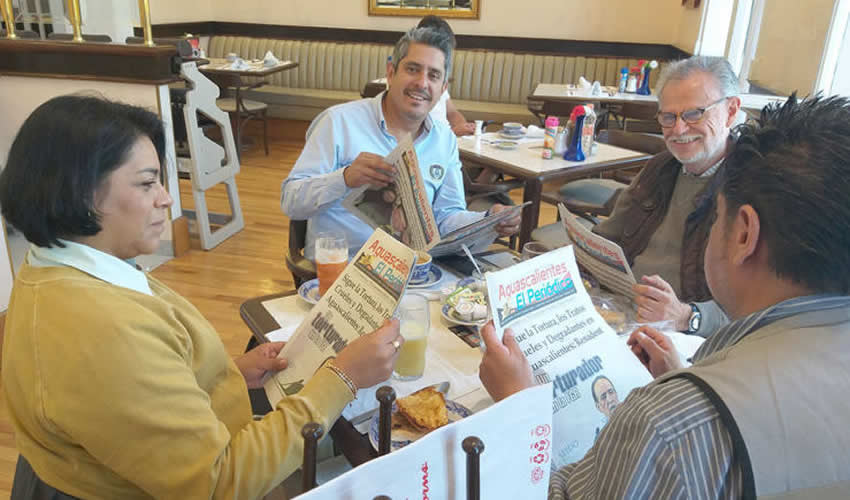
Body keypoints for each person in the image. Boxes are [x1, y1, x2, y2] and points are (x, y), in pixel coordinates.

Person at [0, 95, 403, 499]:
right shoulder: (97, 328)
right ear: (80, 192)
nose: (166, 198)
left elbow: (132, 389)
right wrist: (344, 377)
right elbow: (219, 484)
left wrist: (221, 374)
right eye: (146, 183)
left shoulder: (58, 270)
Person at [480, 94, 850, 498]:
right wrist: (682, 379)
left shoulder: (664, 422)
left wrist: (518, 407)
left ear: (744, 234)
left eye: (716, 214)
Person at [281, 26, 519, 261]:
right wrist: (344, 178)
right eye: (412, 69)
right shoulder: (338, 122)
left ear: (443, 89)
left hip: (415, 273)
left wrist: (488, 219)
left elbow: (447, 216)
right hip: (343, 275)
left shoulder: (444, 139)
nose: (422, 83)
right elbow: (291, 202)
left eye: (433, 75)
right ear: (391, 73)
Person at [593, 55, 742, 337]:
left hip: (681, 339)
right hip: (617, 314)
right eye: (668, 117)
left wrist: (688, 316)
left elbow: (759, 313)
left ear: (731, 111)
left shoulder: (752, 188)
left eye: (694, 114)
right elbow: (606, 238)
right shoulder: (660, 167)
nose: (679, 130)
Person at [416, 15, 476, 136]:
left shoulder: (438, 77)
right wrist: (453, 133)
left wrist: (463, 126)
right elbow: (416, 135)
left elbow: (452, 112)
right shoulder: (416, 86)